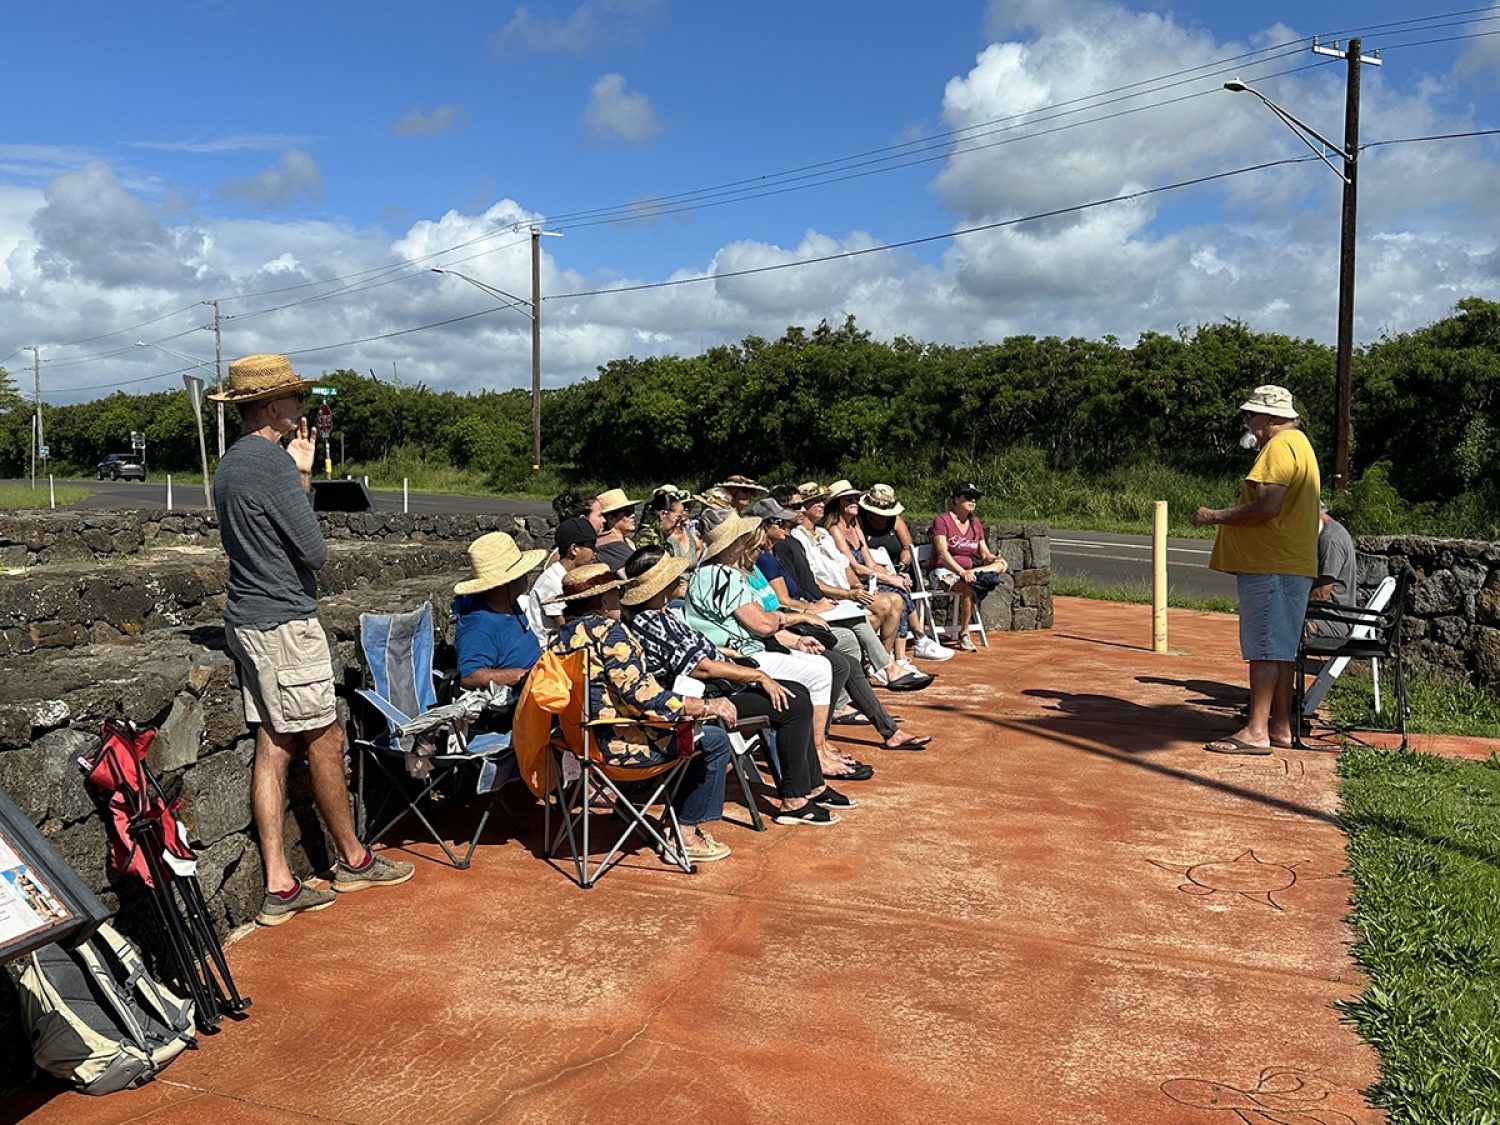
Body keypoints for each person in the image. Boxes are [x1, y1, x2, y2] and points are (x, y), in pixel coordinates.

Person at [210, 354, 412, 927]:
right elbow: (314, 551)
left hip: (249, 617)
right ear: (273, 407)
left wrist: (296, 474)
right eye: (295, 398)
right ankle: (352, 858)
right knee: (324, 736)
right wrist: (300, 475)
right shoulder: (268, 464)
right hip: (283, 621)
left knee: (273, 744)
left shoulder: (231, 464)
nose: (302, 407)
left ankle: (278, 883)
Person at [622, 549, 845, 825]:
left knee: (797, 692)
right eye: (671, 575)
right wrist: (757, 676)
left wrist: (732, 655)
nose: (679, 578)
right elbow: (700, 667)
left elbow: (700, 653)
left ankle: (813, 787)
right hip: (697, 695)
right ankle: (795, 800)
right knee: (793, 703)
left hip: (712, 684)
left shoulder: (660, 613)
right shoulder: (650, 620)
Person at [550, 564, 739, 861]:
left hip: (579, 743)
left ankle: (675, 822)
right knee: (713, 739)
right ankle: (684, 833)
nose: (620, 598)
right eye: (616, 593)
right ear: (603, 601)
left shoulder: (559, 639)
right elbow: (643, 698)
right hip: (621, 747)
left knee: (694, 728)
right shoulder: (610, 634)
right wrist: (701, 706)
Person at [1193, 384, 1322, 754]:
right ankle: (1279, 725)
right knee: (1279, 649)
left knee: (1264, 648)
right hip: (1290, 562)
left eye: (1252, 415)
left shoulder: (1278, 448)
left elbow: (1268, 506)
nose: (1248, 422)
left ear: (1273, 417)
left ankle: (1256, 730)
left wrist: (1214, 517)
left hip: (1271, 562)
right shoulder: (1301, 445)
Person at [858, 483, 953, 662]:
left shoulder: (895, 520)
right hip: (871, 575)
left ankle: (911, 645)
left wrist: (902, 565)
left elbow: (907, 547)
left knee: (902, 587)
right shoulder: (859, 523)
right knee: (900, 591)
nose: (882, 517)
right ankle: (917, 639)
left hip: (896, 571)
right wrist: (889, 575)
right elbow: (862, 558)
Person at [453, 532, 546, 697]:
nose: (526, 577)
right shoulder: (479, 627)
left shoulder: (508, 605)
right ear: (506, 583)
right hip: (517, 706)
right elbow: (470, 676)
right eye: (521, 574)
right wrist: (518, 676)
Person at [928, 482, 1009, 653]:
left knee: (999, 565)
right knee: (969, 585)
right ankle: (964, 633)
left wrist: (995, 559)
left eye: (975, 498)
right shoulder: (942, 521)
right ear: (956, 499)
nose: (972, 500)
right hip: (944, 571)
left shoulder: (975, 523)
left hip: (969, 572)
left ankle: (977, 574)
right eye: (968, 497)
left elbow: (984, 554)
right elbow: (942, 553)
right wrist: (961, 571)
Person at [525, 517, 597, 638]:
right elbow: (565, 628)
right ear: (574, 549)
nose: (595, 553)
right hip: (546, 647)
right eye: (592, 547)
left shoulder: (573, 576)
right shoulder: (552, 581)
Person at [1308, 502, 1358, 637]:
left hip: (1333, 620)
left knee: (1279, 624)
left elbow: (1321, 594)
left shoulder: (1330, 540)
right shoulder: (1331, 531)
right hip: (1330, 616)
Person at [635, 485, 701, 559]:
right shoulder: (647, 537)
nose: (678, 524)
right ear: (663, 514)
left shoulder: (663, 536)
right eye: (677, 519)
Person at [592, 488, 639, 574]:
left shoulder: (625, 541)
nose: (633, 515)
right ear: (611, 518)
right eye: (628, 512)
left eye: (633, 509)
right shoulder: (612, 545)